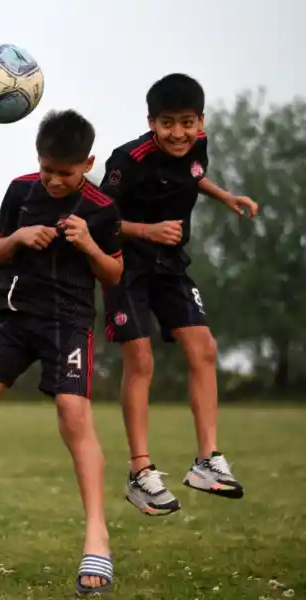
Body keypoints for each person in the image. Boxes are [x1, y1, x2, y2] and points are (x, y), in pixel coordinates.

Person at [0, 110, 123, 595]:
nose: (54, 181)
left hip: (69, 325)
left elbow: (114, 274)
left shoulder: (102, 208)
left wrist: (89, 245)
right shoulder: (20, 190)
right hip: (15, 319)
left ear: (88, 164)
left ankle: (97, 536)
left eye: (66, 173)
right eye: (47, 169)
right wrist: (17, 238)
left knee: (74, 416)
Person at [98, 73, 257, 517]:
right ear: (151, 122)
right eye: (167, 123)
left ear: (200, 121)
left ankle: (207, 461)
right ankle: (140, 472)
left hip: (170, 266)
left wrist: (224, 195)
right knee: (141, 360)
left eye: (188, 122)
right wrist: (145, 230)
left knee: (204, 348)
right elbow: (94, 219)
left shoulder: (197, 144)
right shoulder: (126, 160)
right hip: (125, 267)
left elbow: (190, 176)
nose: (179, 133)